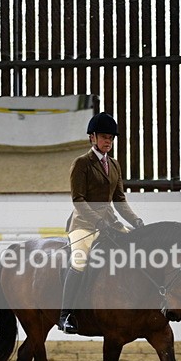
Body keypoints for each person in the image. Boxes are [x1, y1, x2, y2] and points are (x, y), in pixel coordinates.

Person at [58, 112, 145, 334]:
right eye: (104, 137)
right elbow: (78, 200)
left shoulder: (114, 165)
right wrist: (97, 222)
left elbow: (119, 200)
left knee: (136, 251)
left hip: (110, 222)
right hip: (83, 225)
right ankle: (65, 314)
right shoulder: (81, 164)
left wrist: (134, 220)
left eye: (111, 138)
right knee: (79, 261)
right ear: (93, 138)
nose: (109, 141)